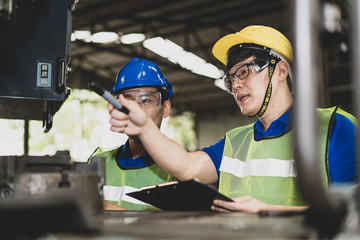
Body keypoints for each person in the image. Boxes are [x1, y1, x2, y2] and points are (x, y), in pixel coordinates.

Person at [107, 26, 358, 213]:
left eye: (244, 72)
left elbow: (352, 211)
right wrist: (145, 127)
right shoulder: (235, 141)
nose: (236, 85)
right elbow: (188, 167)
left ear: (280, 71)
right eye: (231, 79)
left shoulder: (334, 127)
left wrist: (268, 212)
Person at [89, 57, 175, 211]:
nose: (136, 109)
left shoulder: (178, 171)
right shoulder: (98, 162)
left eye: (146, 100)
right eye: (127, 100)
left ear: (166, 108)